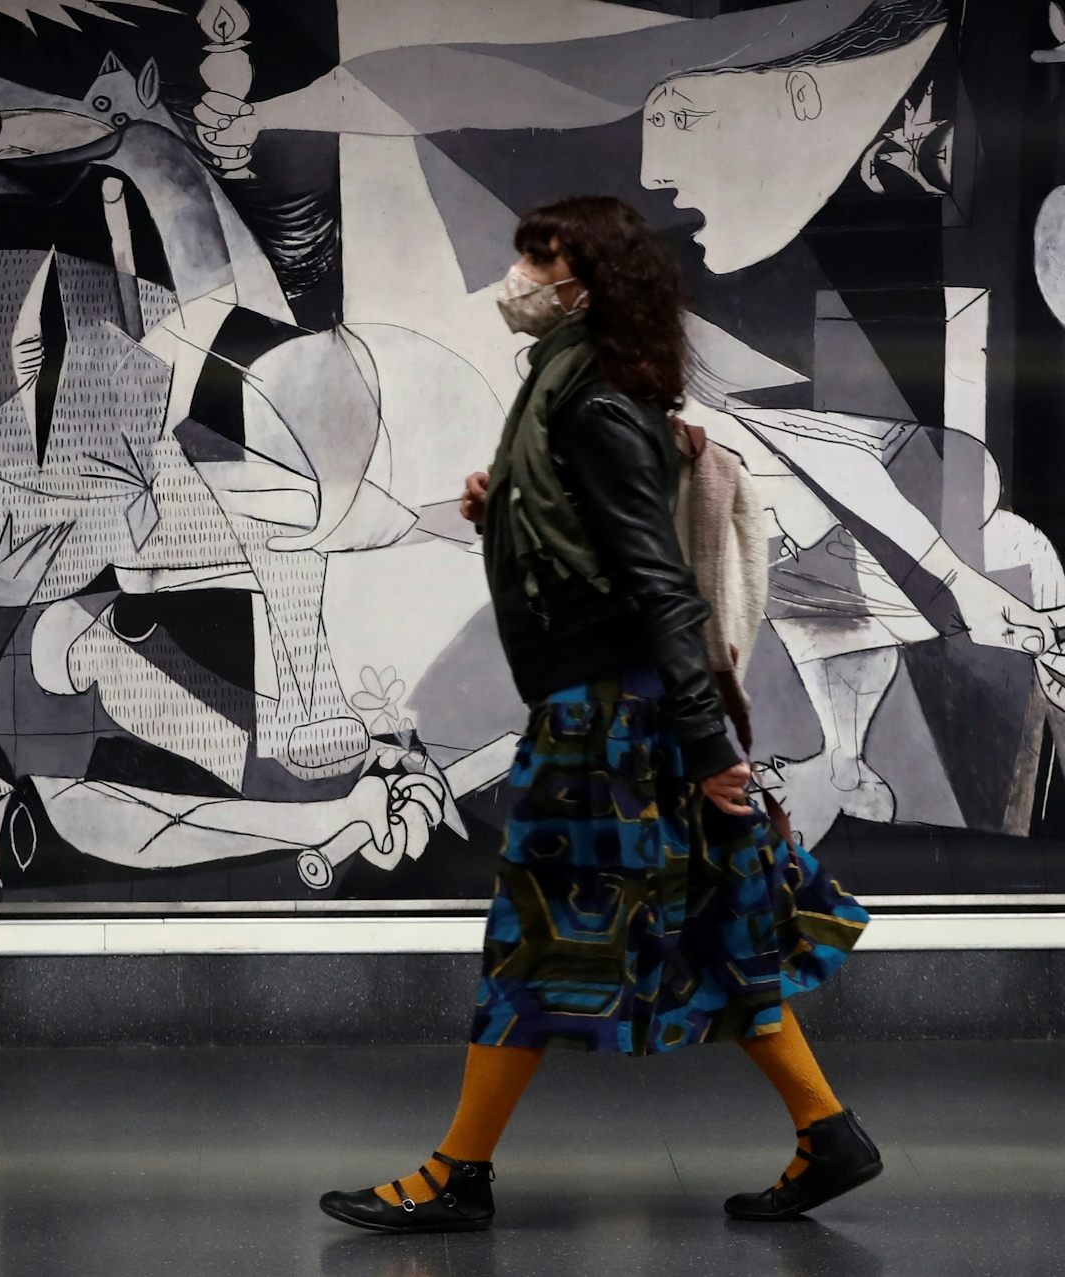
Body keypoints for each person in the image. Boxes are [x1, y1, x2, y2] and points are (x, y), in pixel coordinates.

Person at [318, 197, 875, 1233]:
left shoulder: (594, 405)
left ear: (589, 285)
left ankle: (457, 1171)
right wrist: (510, 505)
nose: (520, 279)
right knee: (714, 924)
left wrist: (710, 744)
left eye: (543, 260)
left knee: (534, 936)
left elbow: (661, 584)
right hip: (625, 711)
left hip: (608, 723)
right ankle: (827, 1130)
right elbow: (599, 543)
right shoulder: (579, 392)